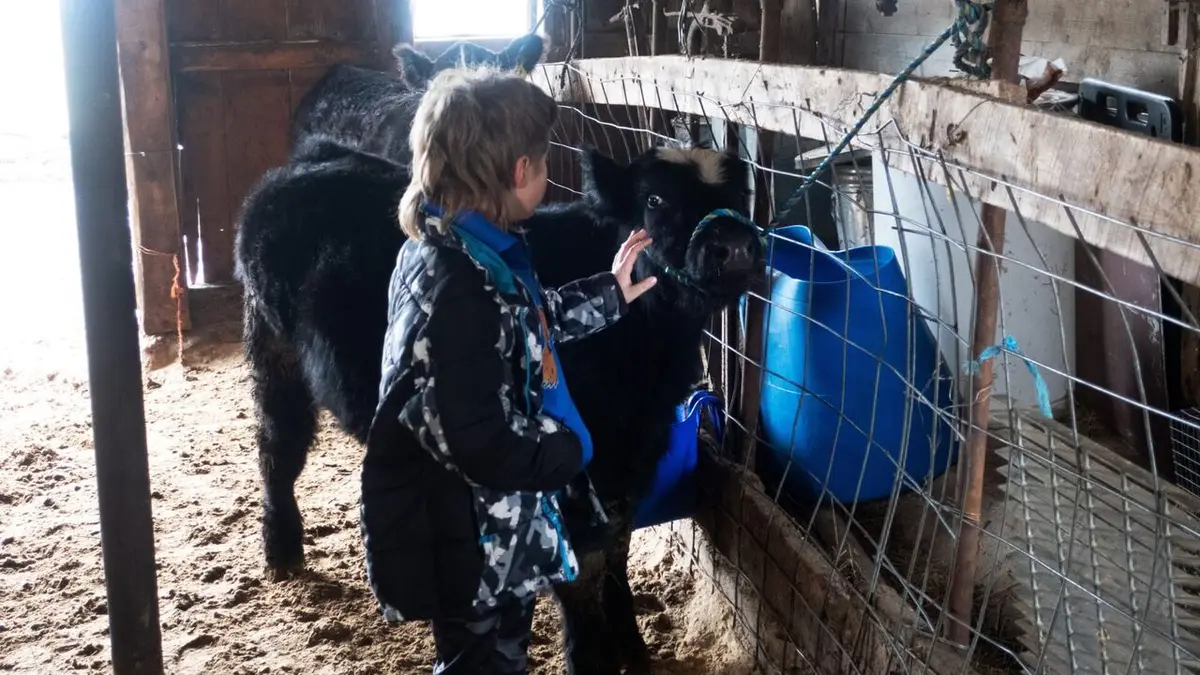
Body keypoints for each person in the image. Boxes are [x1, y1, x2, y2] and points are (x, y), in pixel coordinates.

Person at [359, 66, 657, 674]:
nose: (547, 175)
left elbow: (527, 325)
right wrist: (567, 452)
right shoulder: (460, 288)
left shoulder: (463, 250)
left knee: (496, 653)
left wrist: (610, 294)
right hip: (470, 537)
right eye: (544, 162)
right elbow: (480, 438)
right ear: (521, 172)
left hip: (488, 525)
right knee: (482, 662)